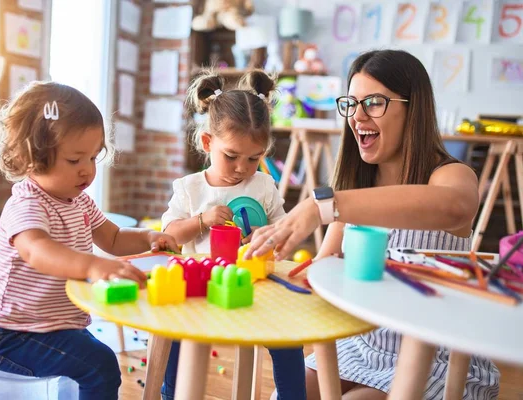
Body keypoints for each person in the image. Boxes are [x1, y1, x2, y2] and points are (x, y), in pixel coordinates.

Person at [244, 50, 500, 400]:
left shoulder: (450, 175)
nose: (358, 116)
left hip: (435, 357)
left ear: (414, 108)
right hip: (359, 347)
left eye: (374, 102)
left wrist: (323, 206)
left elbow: (456, 207)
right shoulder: (356, 189)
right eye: (351, 103)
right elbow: (324, 270)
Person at [0, 81, 178, 400]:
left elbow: (112, 237)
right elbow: (36, 250)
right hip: (12, 334)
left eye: (93, 158)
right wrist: (92, 265)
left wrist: (148, 237)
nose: (87, 171)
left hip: (54, 326)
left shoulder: (80, 202)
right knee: (100, 365)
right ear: (34, 156)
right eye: (74, 160)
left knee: (95, 359)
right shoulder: (28, 204)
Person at [159, 69, 307, 400]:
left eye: (253, 158)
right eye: (231, 156)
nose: (242, 167)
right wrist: (202, 220)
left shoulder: (263, 186)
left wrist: (270, 237)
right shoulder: (190, 188)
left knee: (289, 338)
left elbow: (284, 229)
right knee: (175, 338)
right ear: (208, 142)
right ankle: (173, 395)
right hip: (201, 290)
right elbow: (170, 236)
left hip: (253, 288)